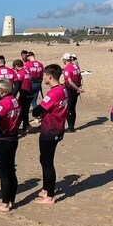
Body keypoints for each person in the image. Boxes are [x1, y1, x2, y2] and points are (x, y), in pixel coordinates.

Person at [31, 64, 68, 204]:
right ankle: (46, 188)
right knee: (44, 159)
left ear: (50, 77)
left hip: (51, 130)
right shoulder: (62, 89)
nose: (43, 78)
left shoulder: (54, 93)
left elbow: (36, 111)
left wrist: (38, 108)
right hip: (56, 127)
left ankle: (50, 196)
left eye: (44, 75)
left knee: (47, 162)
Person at [0, 79, 21, 212]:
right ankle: (11, 200)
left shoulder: (2, 103)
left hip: (3, 140)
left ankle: (4, 203)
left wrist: (0, 132)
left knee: (3, 173)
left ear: (1, 91)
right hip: (13, 138)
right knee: (10, 170)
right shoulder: (15, 100)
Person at [62, 53, 85, 132]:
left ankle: (70, 127)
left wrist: (78, 88)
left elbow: (70, 81)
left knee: (69, 108)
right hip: (75, 89)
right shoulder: (76, 66)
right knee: (73, 108)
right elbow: (80, 77)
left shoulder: (68, 68)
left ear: (65, 60)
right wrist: (79, 87)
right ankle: (72, 126)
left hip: (71, 89)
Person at [12, 59, 32, 131]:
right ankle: (25, 126)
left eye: (14, 68)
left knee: (20, 111)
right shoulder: (27, 71)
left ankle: (21, 126)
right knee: (25, 111)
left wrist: (13, 95)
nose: (15, 70)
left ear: (17, 66)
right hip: (29, 93)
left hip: (24, 94)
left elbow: (17, 85)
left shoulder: (20, 73)